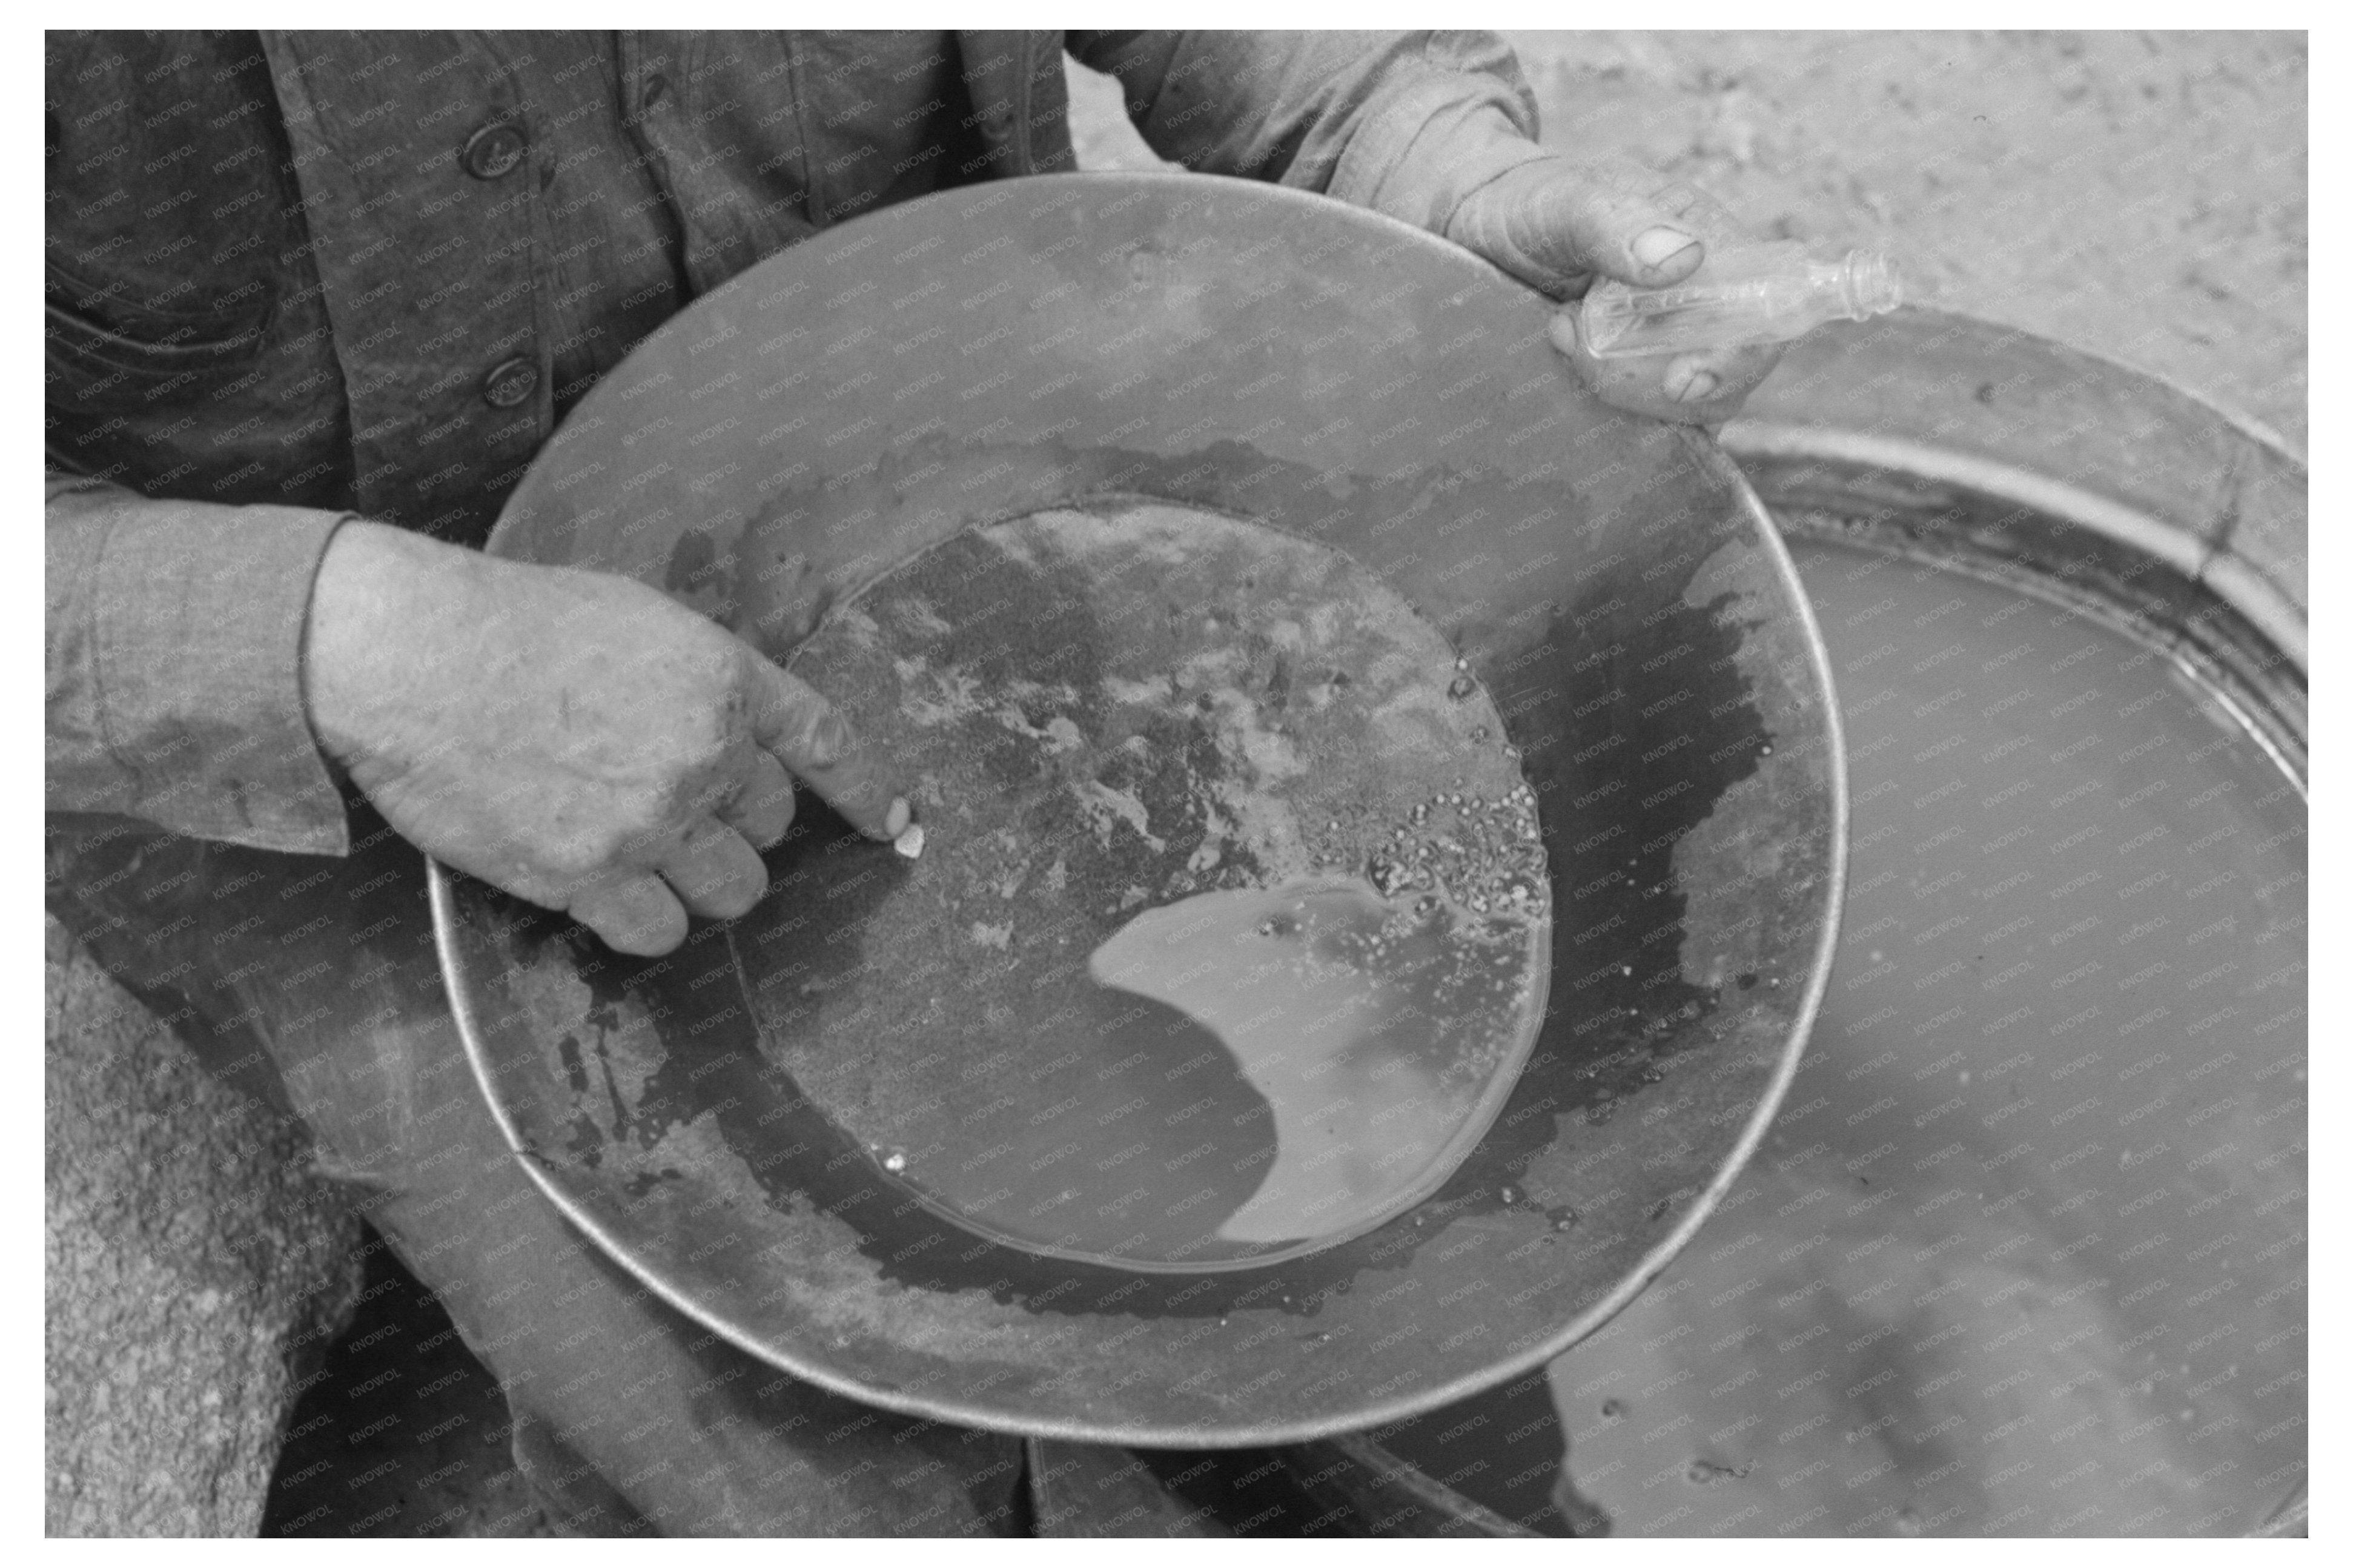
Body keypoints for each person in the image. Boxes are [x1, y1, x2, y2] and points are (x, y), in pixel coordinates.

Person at [47, 30, 1779, 1536]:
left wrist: (1419, 149)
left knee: (1422, 1279)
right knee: (804, 1467)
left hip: (973, 476)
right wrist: (354, 648)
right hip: (313, 732)